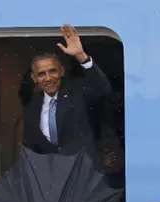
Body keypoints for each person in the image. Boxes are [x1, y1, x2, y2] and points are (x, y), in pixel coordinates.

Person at [22, 24, 112, 171]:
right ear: (34, 78)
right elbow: (30, 149)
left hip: (83, 175)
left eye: (53, 71)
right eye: (41, 74)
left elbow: (102, 88)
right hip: (50, 180)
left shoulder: (77, 93)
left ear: (62, 71)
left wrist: (81, 56)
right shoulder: (31, 107)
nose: (48, 78)